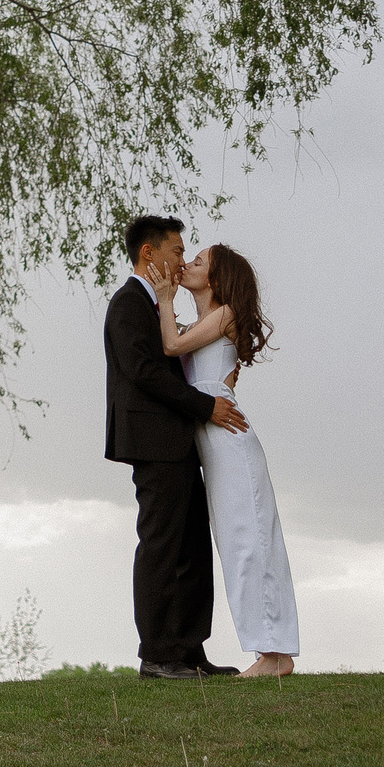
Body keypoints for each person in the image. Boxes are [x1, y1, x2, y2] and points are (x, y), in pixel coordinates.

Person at [103, 215, 245, 679]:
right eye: (178, 251)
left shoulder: (157, 307)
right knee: (163, 546)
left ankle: (189, 651)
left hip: (180, 442)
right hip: (153, 443)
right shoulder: (127, 304)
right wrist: (207, 406)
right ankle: (158, 655)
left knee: (193, 547)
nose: (183, 260)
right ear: (150, 253)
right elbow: (144, 374)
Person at [153, 243, 299, 677]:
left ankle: (275, 653)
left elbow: (171, 346)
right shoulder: (206, 321)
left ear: (217, 279)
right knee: (237, 546)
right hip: (213, 444)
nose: (188, 264)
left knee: (251, 541)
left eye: (198, 262)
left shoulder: (226, 313)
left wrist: (163, 298)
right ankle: (266, 651)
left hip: (230, 441)